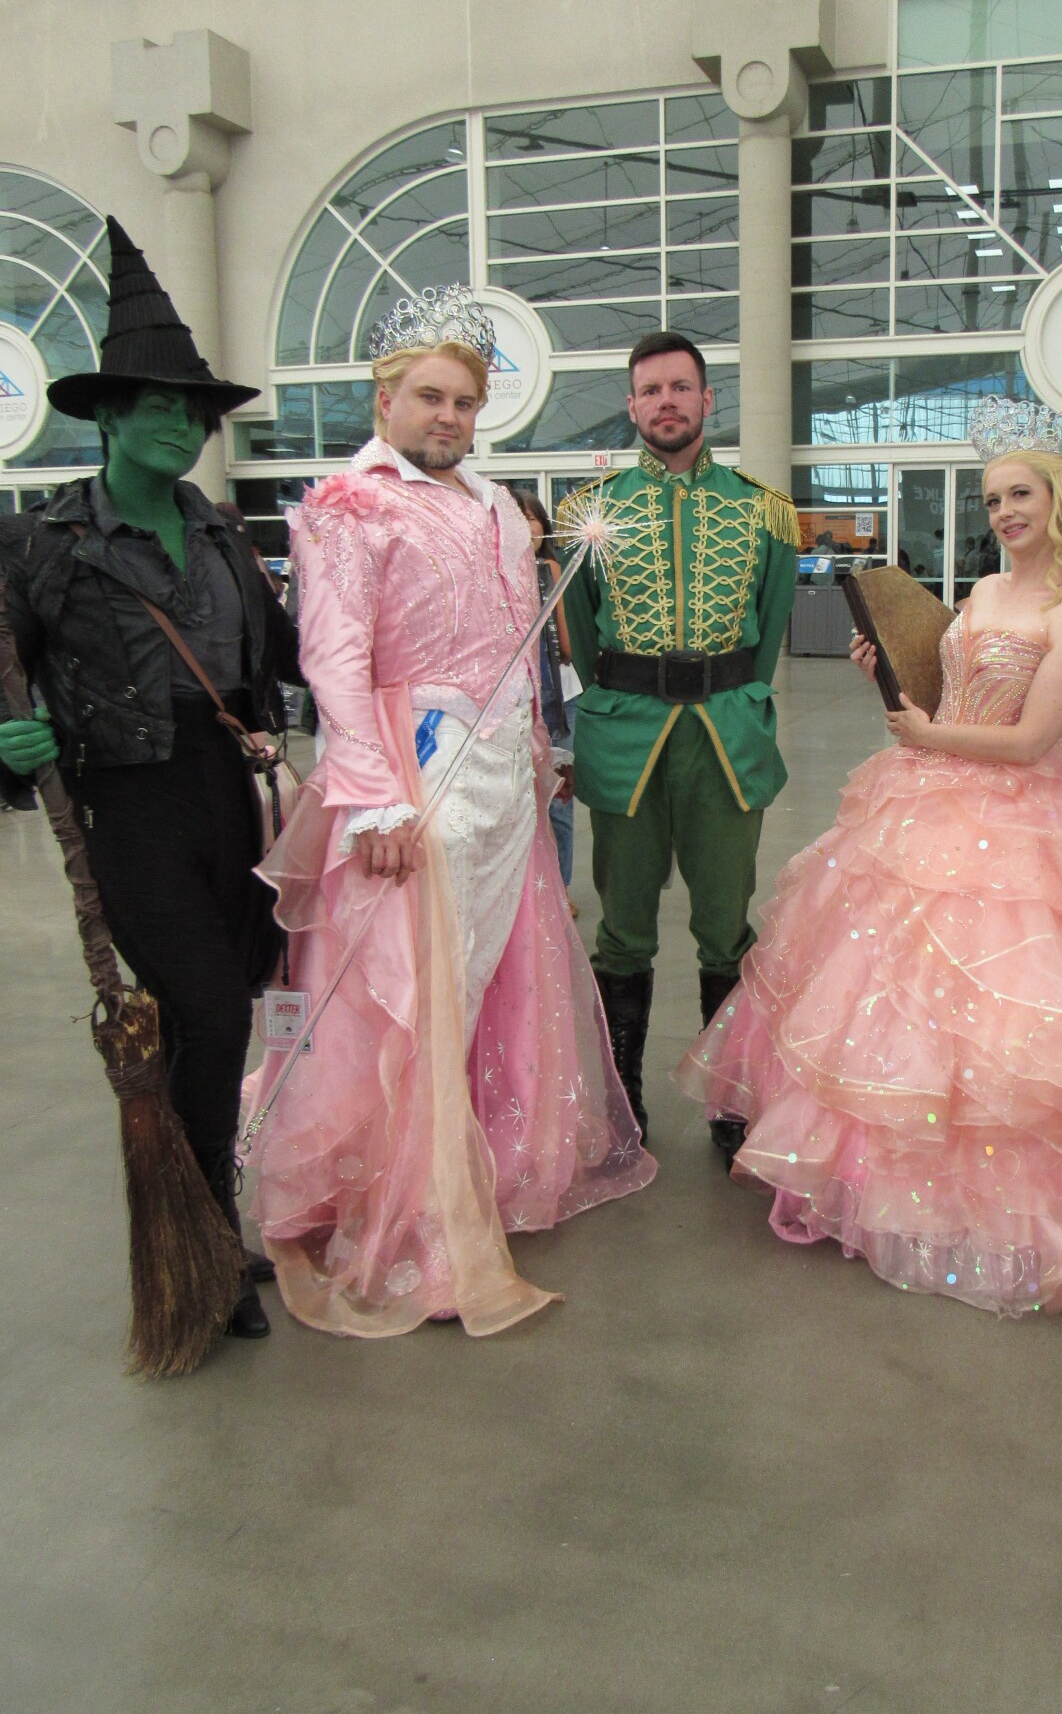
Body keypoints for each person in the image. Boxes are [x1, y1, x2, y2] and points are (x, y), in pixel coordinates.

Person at [675, 401, 1062, 1318]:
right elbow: (949, 682)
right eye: (994, 498)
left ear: (1058, 498)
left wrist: (929, 734)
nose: (1005, 511)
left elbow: (1034, 740)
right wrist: (889, 670)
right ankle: (881, 1179)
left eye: (1021, 494)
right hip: (926, 799)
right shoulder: (987, 589)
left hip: (1021, 815)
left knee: (1011, 1005)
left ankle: (1003, 1198)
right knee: (891, 995)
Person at [242, 286, 655, 1339]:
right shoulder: (347, 506)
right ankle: (401, 1192)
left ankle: (473, 1168)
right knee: (405, 992)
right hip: (411, 775)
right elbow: (332, 661)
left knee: (476, 981)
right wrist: (373, 801)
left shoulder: (493, 506)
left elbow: (524, 650)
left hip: (499, 786)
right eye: (430, 398)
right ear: (385, 399)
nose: (450, 419)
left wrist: (538, 754)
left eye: (466, 402)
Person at [0, 217, 299, 1342]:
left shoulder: (220, 534)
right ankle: (207, 1237)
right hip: (126, 806)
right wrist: (6, 741)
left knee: (221, 1016)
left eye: (196, 411)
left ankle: (202, 1214)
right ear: (110, 417)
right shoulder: (44, 545)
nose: (181, 425)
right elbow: (5, 673)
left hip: (229, 795)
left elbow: (281, 659)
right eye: (159, 407)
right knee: (211, 1014)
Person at [560, 331, 798, 1153]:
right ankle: (624, 1102)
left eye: (681, 387)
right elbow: (582, 640)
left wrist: (737, 694)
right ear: (631, 407)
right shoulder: (586, 515)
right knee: (623, 927)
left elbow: (768, 636)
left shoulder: (763, 508)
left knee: (726, 926)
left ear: (706, 400)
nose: (666, 401)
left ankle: (729, 1101)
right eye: (650, 389)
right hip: (627, 737)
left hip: (726, 735)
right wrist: (623, 700)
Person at [509, 486, 578, 904]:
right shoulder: (489, 571)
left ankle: (559, 891)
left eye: (531, 517)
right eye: (515, 516)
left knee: (558, 801)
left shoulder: (555, 571)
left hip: (560, 699)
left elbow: (569, 646)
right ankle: (524, 895)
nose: (525, 525)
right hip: (509, 704)